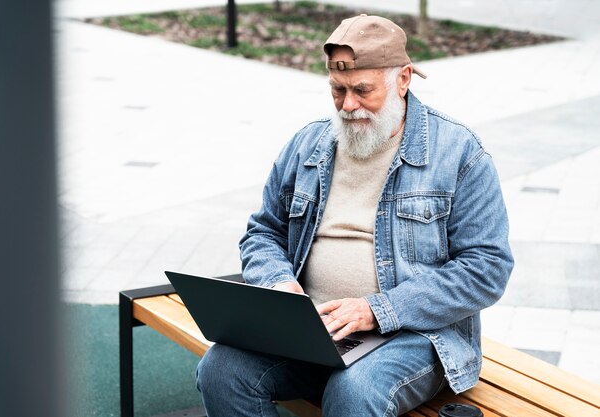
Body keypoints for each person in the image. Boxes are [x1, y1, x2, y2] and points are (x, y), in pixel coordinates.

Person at [196, 14, 514, 417]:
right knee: (221, 369)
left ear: (403, 79)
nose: (348, 106)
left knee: (353, 390)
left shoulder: (459, 152)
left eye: (362, 90)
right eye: (337, 90)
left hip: (412, 335)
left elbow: (486, 269)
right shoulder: (307, 143)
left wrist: (376, 310)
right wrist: (278, 285)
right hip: (310, 331)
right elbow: (264, 232)